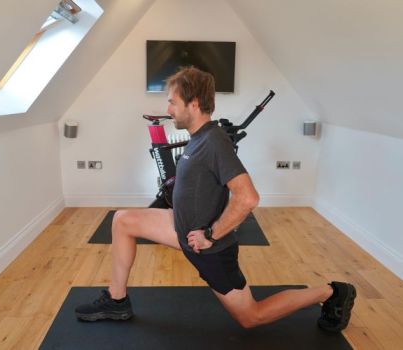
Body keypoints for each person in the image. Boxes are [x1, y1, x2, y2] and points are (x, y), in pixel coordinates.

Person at [75, 66, 356, 332]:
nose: (168, 109)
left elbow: (248, 198)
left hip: (209, 249)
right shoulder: (197, 137)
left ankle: (332, 292)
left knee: (251, 317)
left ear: (193, 104)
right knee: (122, 221)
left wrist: (211, 234)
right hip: (181, 230)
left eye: (173, 102)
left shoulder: (214, 142)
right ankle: (116, 299)